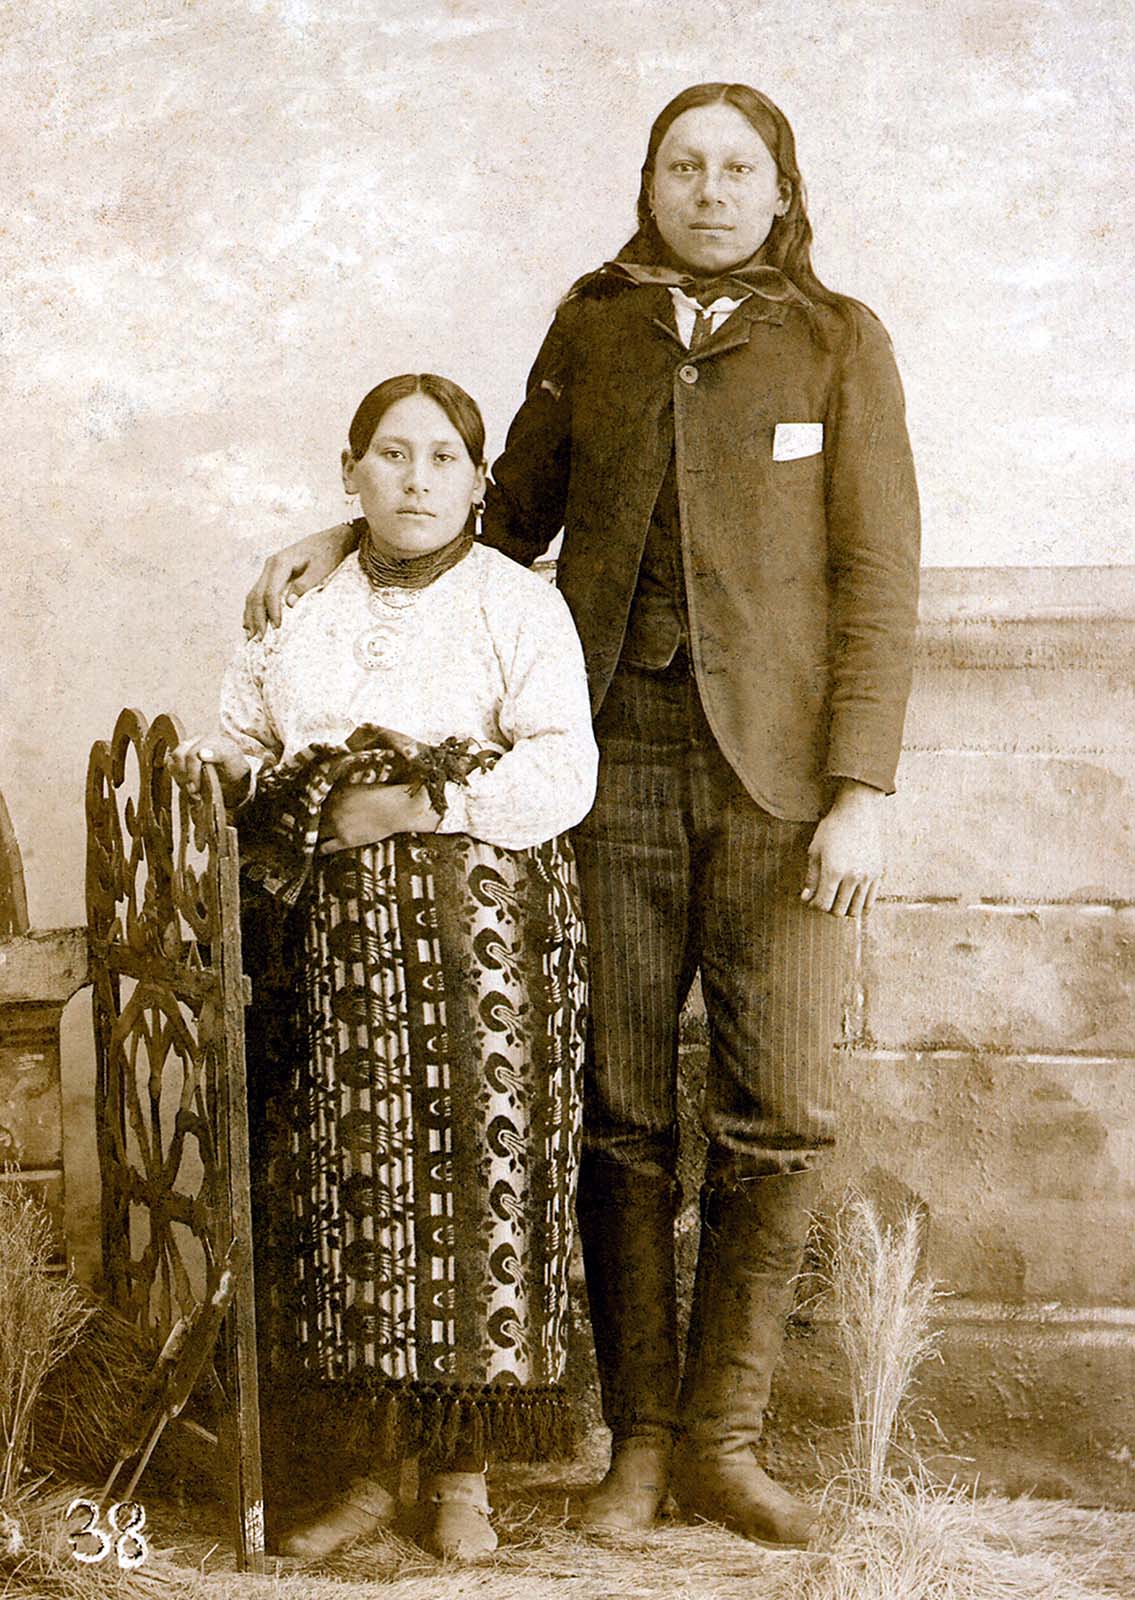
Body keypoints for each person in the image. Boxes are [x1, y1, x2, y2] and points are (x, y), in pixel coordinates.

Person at [243, 82, 921, 1550]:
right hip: (608, 778)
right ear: (648, 183)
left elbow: (878, 577)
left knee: (781, 1117)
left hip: (782, 790)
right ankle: (637, 1443)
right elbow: (502, 503)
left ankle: (725, 1449)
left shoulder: (834, 339)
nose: (707, 190)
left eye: (737, 169)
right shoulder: (595, 321)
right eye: (681, 165)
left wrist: (857, 790)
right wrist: (333, 536)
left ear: (778, 187)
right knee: (615, 1121)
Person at [169, 373, 598, 1562]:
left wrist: (413, 799)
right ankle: (362, 1473)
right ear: (348, 470)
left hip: (484, 959)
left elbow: (564, 771)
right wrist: (261, 785)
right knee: (341, 1190)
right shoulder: (292, 606)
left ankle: (460, 1476)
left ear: (477, 478)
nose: (417, 480)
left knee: (473, 1185)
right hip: (325, 951)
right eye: (393, 455)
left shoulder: (517, 607)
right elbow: (238, 742)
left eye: (444, 458)